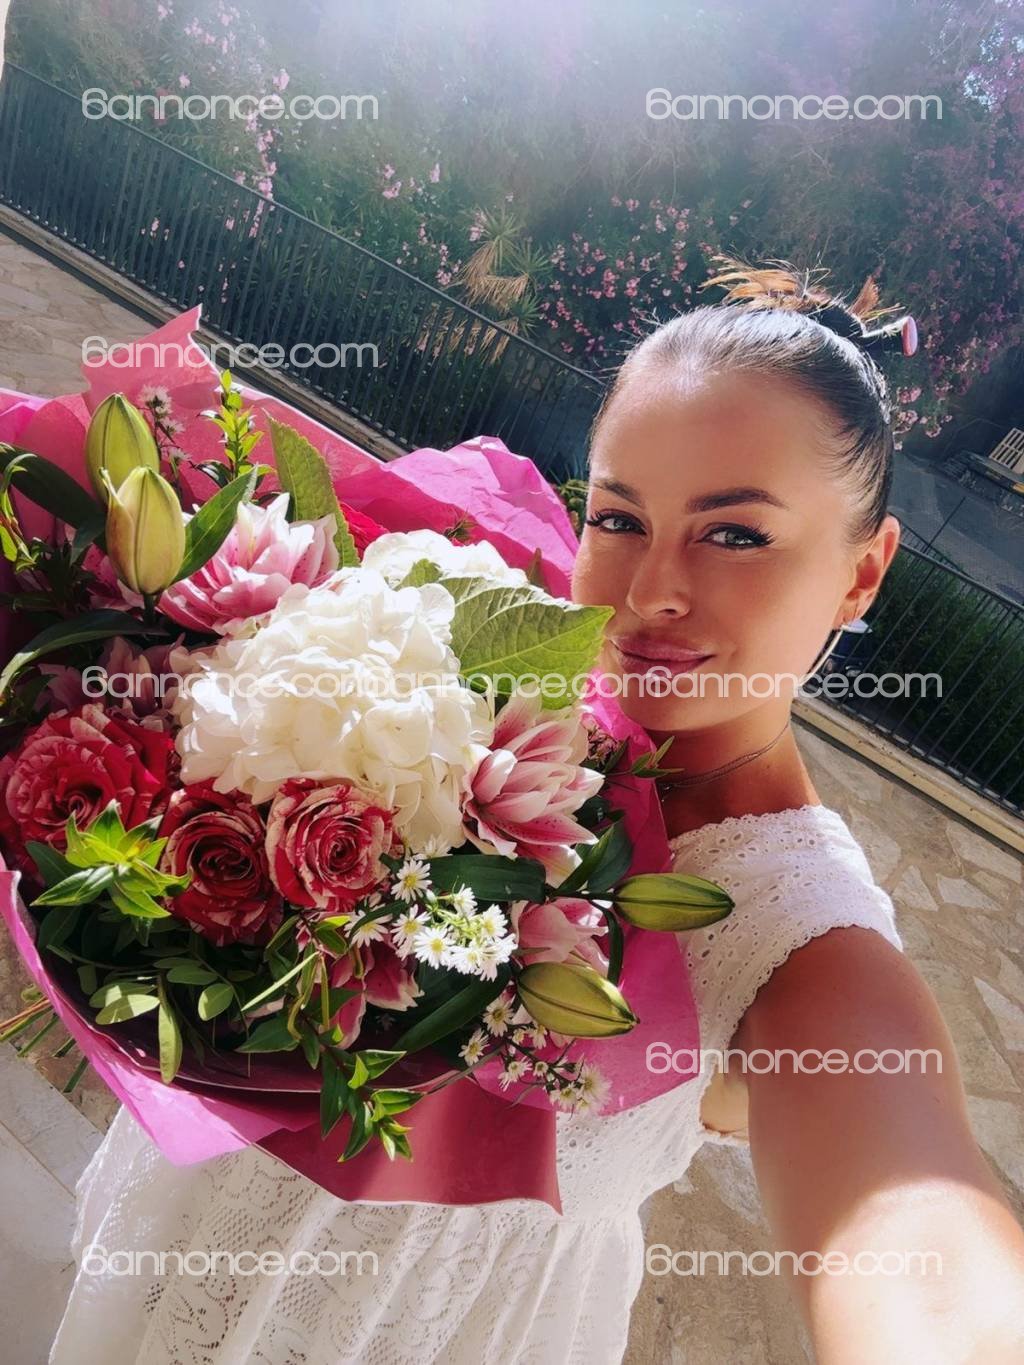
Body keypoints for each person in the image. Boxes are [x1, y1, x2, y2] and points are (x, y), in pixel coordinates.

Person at [49, 265, 1024, 1365]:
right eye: (620, 518)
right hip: (176, 1249)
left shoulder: (800, 939)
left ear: (862, 573)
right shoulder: (461, 667)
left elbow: (914, 1233)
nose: (651, 591)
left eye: (736, 534)